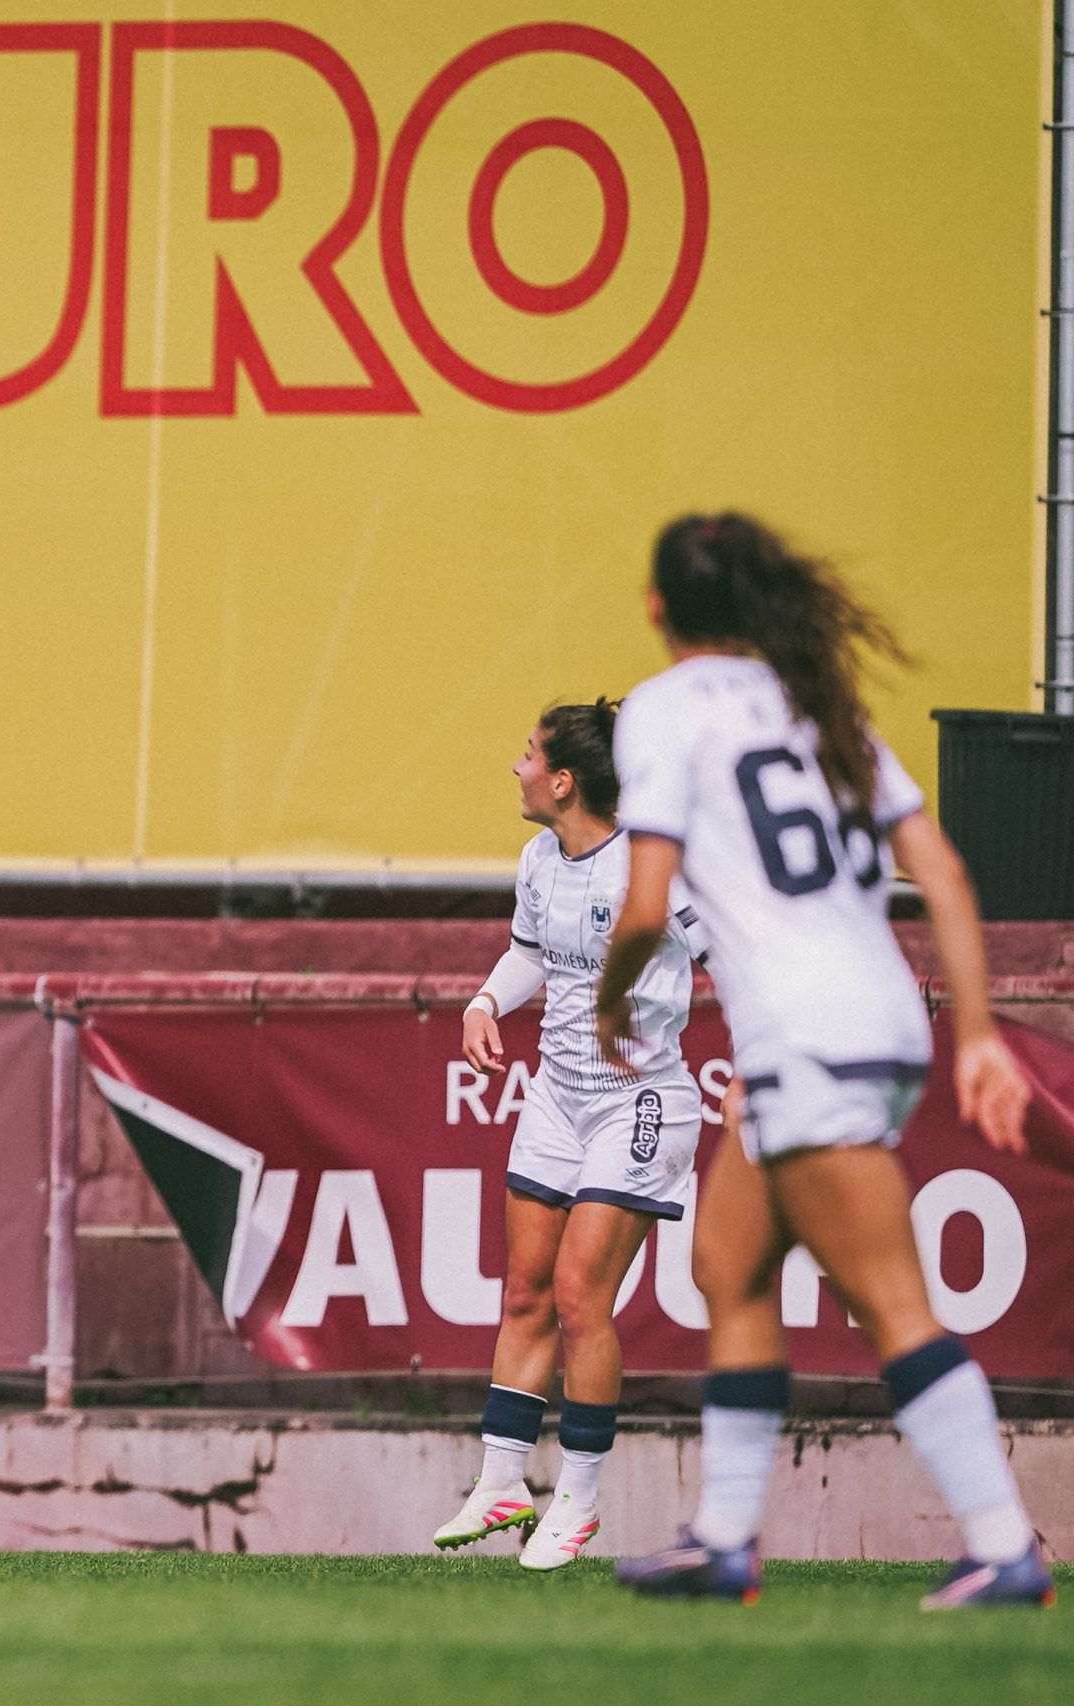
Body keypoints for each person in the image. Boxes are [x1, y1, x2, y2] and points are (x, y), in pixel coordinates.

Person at [598, 513, 1047, 1609]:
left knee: (891, 1301)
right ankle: (722, 1538)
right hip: (872, 1021)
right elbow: (943, 873)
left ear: (657, 606)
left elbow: (647, 904)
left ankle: (1004, 1545)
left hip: (805, 1037)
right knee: (729, 1266)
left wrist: (609, 1005)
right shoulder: (816, 703)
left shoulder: (663, 709)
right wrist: (978, 1034)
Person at [436, 701, 706, 1570]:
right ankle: (502, 1481)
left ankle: (579, 1502)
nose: (514, 768)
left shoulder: (655, 867)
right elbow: (530, 954)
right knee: (525, 1292)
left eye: (528, 755)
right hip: (555, 1099)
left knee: (583, 1297)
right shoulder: (538, 860)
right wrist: (484, 1002)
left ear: (563, 781)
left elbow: (730, 958)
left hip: (640, 1101)